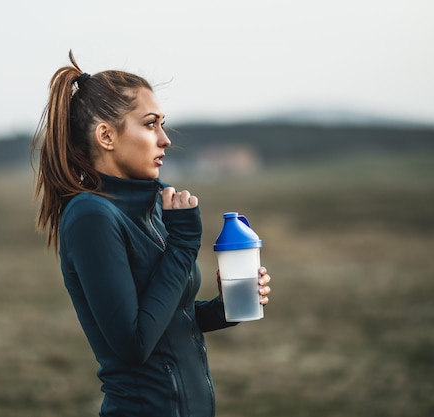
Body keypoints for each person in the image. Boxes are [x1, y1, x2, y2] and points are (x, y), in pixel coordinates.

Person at [32, 51, 272, 417]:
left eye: (163, 124)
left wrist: (225, 309)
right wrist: (183, 245)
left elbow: (169, 320)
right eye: (149, 124)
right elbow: (134, 344)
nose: (165, 139)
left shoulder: (157, 204)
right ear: (106, 135)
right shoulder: (90, 216)